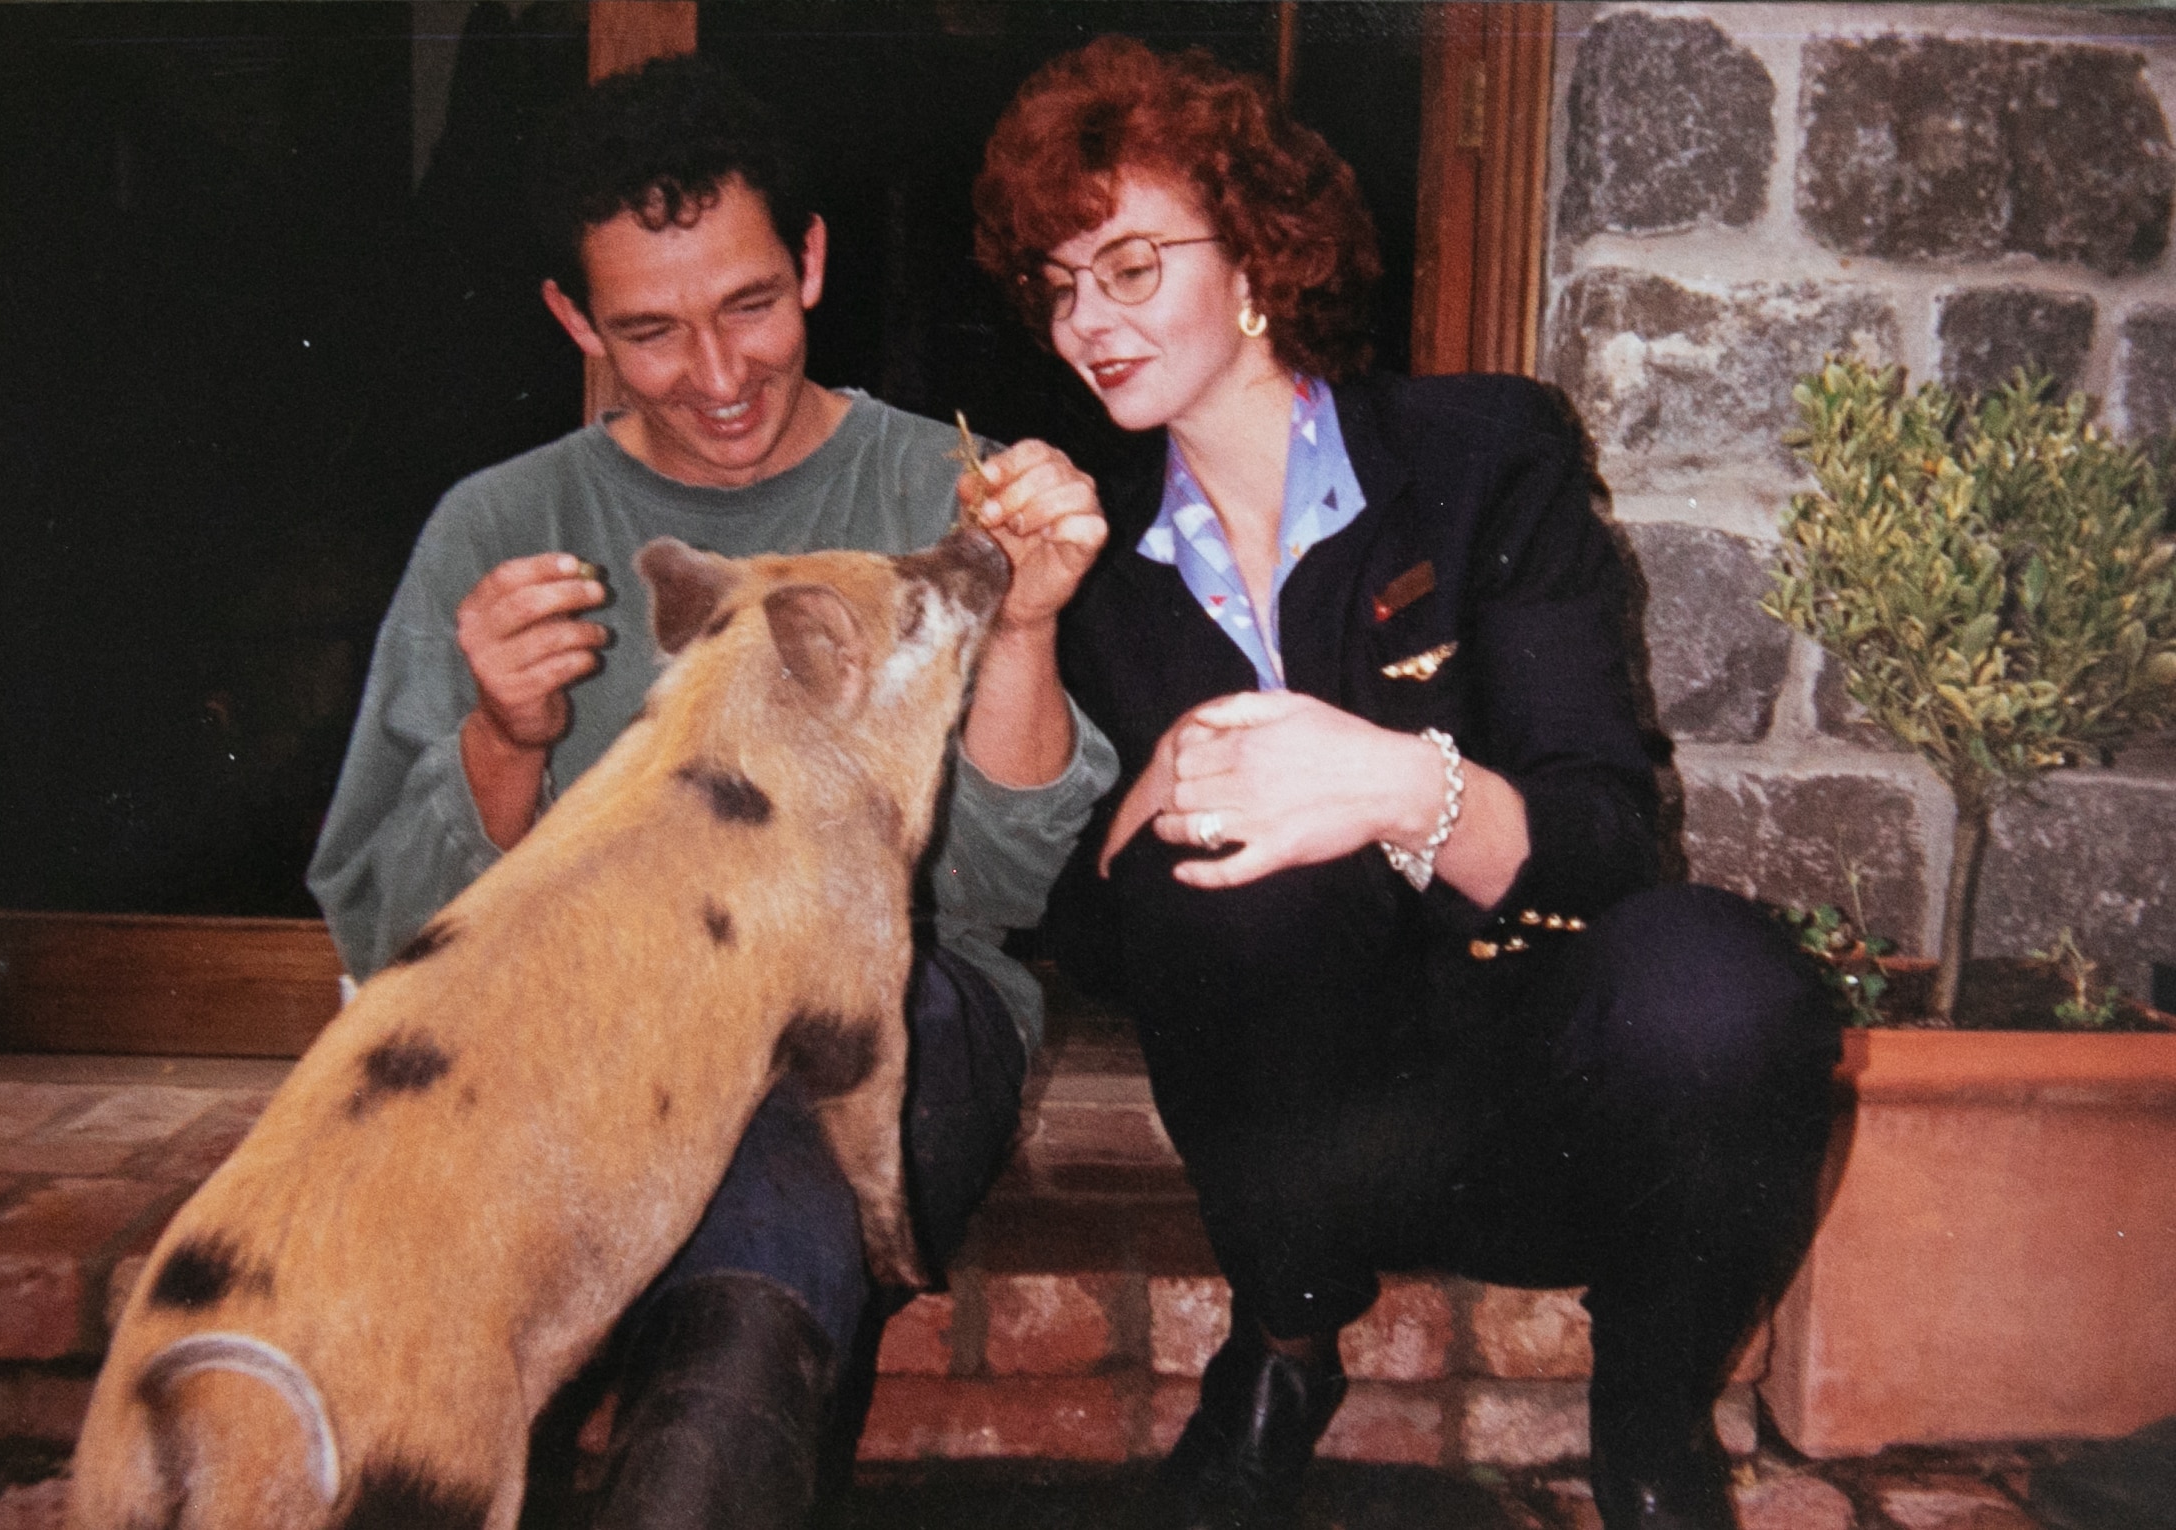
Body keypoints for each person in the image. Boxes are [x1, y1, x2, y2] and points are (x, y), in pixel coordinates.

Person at [973, 37, 1840, 1530]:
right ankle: (1284, 1346)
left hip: (1546, 1091)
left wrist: (1392, 784)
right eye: (1059, 286)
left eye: (1129, 267)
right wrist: (1126, 759)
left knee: (1731, 984)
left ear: (1255, 256)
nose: (1087, 322)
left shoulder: (1478, 455)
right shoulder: (1100, 562)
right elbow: (1094, 937)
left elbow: (1606, 839)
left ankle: (1651, 1421)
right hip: (1312, 1146)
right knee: (1211, 867)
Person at [307, 55, 1117, 1529]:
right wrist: (503, 737)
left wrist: (1026, 628)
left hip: (893, 1027)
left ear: (813, 261)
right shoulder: (503, 526)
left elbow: (997, 898)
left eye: (750, 304)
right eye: (649, 332)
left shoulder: (954, 493)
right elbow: (385, 938)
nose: (720, 374)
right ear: (575, 321)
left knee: (786, 1112)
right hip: (576, 1051)